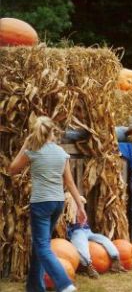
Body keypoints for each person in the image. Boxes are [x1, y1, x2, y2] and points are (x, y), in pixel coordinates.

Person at [8, 116, 86, 292]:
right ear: (52, 132)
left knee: (42, 246)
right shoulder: (61, 153)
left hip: (41, 204)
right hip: (57, 203)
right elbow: (70, 183)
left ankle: (65, 284)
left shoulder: (33, 150)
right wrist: (80, 207)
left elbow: (12, 169)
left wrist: (24, 146)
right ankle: (35, 286)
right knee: (40, 244)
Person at [66, 195, 126, 278]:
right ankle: (88, 266)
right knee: (81, 244)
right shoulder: (68, 214)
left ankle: (115, 260)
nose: (79, 206)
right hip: (77, 231)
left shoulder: (82, 212)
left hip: (88, 231)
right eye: (76, 204)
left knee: (104, 239)